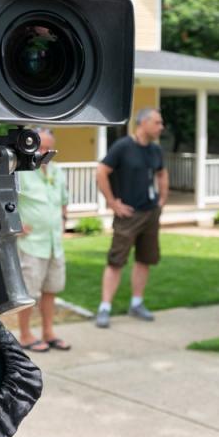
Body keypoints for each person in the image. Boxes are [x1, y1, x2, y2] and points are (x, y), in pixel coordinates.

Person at [94, 108, 168, 329]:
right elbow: (101, 171)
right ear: (143, 123)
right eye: (157, 122)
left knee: (145, 259)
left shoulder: (155, 150)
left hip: (150, 213)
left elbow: (162, 173)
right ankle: (104, 308)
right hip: (128, 215)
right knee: (116, 261)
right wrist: (112, 202)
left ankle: (137, 303)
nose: (161, 127)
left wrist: (162, 199)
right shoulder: (123, 147)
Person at [16, 128, 71, 352]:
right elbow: (0, 200)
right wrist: (14, 225)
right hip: (30, 244)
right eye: (40, 147)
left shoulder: (57, 171)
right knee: (28, 293)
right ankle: (26, 335)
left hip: (54, 244)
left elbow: (63, 200)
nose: (44, 152)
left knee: (51, 289)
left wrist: (64, 221)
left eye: (49, 148)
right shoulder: (20, 171)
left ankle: (49, 333)